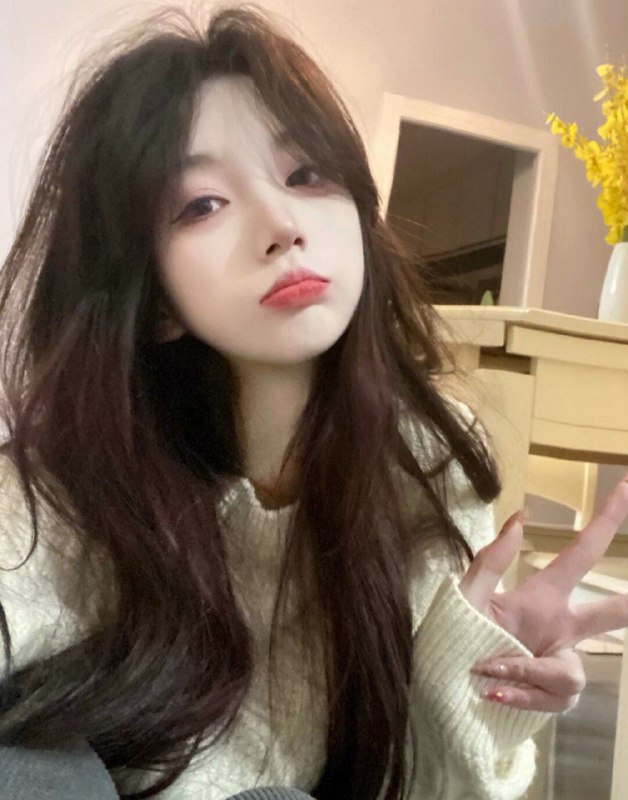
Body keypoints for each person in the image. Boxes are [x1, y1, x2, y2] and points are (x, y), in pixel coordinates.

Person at [0, 5, 627, 799]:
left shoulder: (424, 460)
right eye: (202, 205)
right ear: (152, 297)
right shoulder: (84, 473)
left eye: (305, 175)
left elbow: (418, 783)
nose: (282, 225)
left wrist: (475, 683)